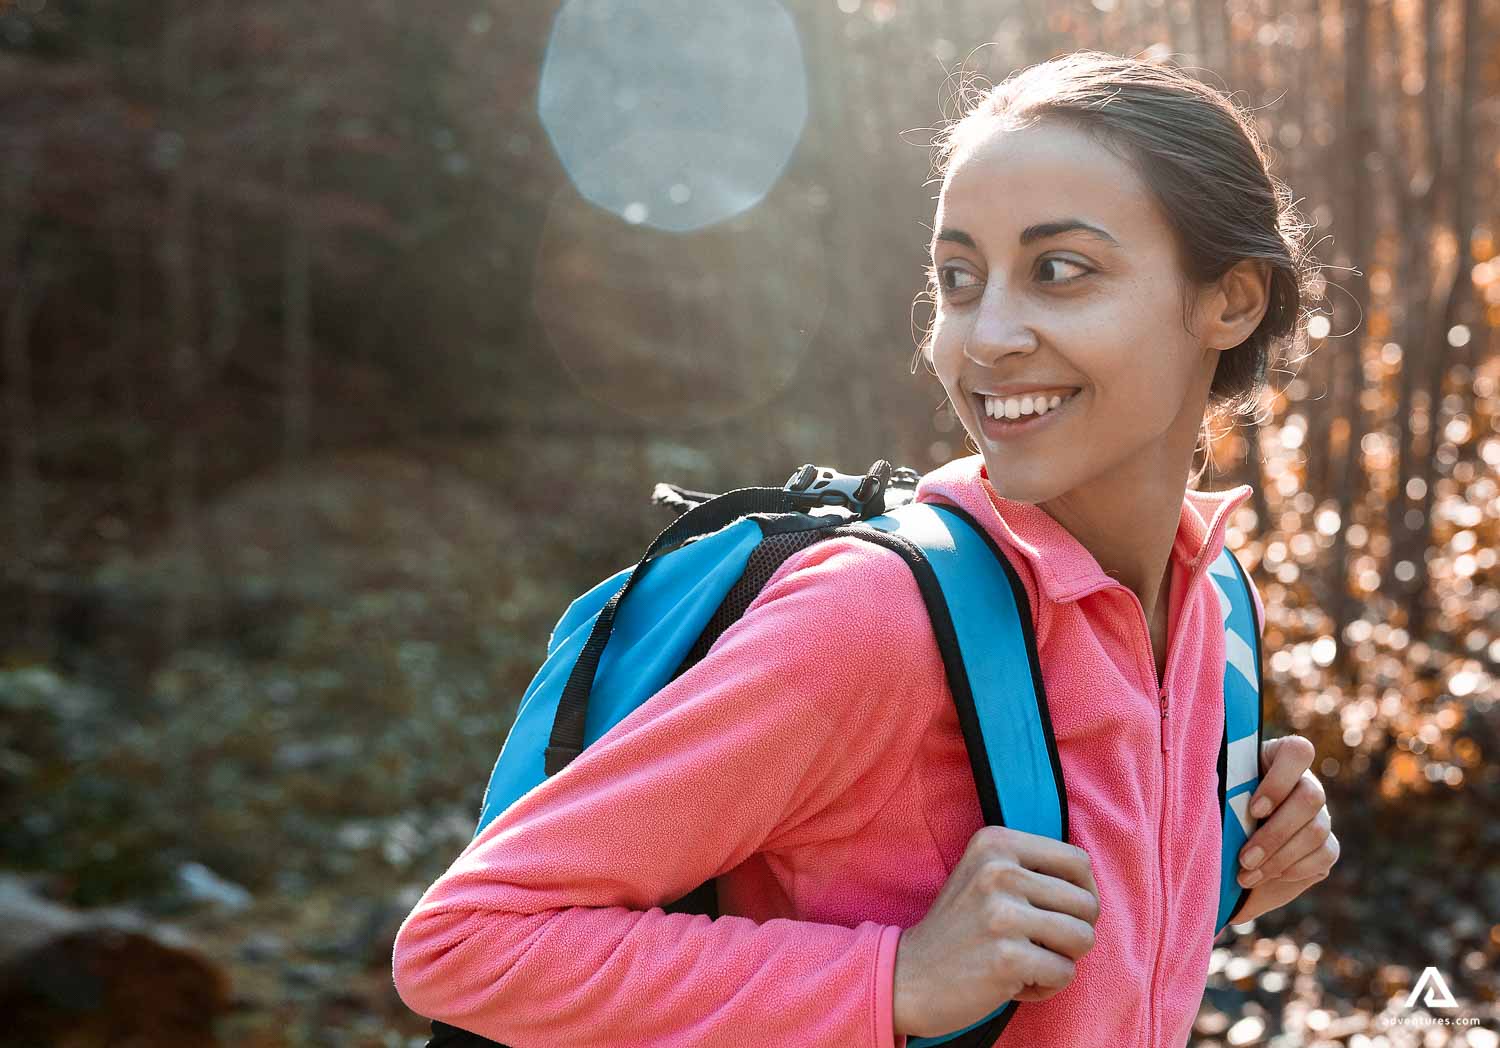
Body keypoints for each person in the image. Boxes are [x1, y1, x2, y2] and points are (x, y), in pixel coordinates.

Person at [391, 49, 1341, 1047]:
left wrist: (1233, 863)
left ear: (1230, 300)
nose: (986, 335)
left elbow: (1079, 972)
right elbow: (465, 944)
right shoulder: (873, 619)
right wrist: (896, 981)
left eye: (1061, 271)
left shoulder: (1218, 599)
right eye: (958, 278)